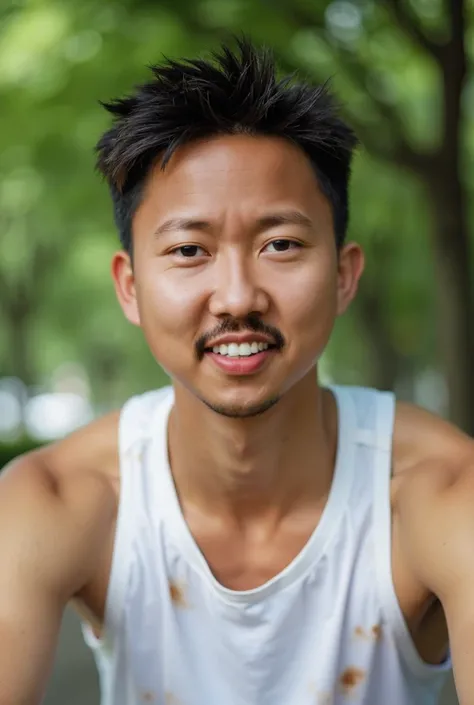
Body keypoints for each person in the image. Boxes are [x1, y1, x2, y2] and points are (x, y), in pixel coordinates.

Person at [1, 38, 473, 705]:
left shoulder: (443, 491)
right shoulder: (54, 499)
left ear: (343, 275)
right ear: (130, 286)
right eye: (190, 249)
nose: (237, 296)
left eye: (279, 244)